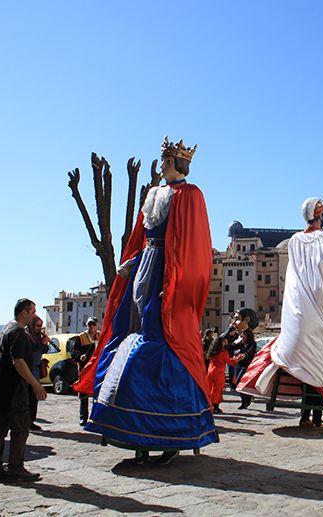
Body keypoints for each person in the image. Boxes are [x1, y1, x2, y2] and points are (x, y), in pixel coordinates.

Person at [76, 137, 217, 466]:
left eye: (168, 160)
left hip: (168, 273)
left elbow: (187, 246)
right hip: (146, 269)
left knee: (155, 339)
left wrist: (175, 283)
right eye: (164, 158)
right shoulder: (156, 194)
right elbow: (146, 237)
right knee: (131, 330)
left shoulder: (191, 195)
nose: (163, 164)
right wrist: (135, 261)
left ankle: (167, 432)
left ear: (178, 164)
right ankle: (133, 433)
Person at [237, 197, 323, 428]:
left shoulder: (295, 240)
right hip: (321, 306)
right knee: (319, 362)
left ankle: (306, 415)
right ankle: (315, 415)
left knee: (304, 362)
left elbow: (294, 275)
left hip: (298, 308)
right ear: (320, 215)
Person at [0, 298, 47, 482]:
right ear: (24, 313)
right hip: (12, 386)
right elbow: (18, 361)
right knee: (20, 426)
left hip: (3, 382)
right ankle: (15, 467)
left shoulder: (8, 328)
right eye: (33, 311)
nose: (35, 315)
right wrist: (35, 384)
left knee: (0, 426)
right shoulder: (18, 331)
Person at [73, 317, 98, 426]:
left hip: (97, 368)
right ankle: (83, 417)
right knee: (83, 393)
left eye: (93, 324)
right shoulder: (81, 337)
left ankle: (96, 416)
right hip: (85, 368)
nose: (91, 326)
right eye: (89, 324)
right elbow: (74, 352)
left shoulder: (100, 335)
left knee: (97, 393)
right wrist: (80, 356)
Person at [205, 332, 235, 414]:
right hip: (218, 373)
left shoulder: (213, 351)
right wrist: (237, 359)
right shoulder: (223, 352)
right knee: (217, 390)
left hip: (211, 371)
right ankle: (215, 407)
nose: (226, 343)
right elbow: (228, 361)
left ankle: (211, 405)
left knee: (211, 389)